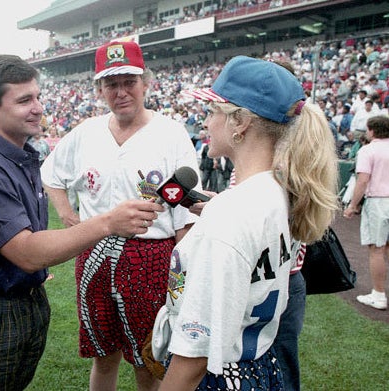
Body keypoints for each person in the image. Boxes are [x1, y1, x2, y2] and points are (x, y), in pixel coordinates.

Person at [0, 54, 164, 391]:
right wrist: (107, 222)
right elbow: (28, 252)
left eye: (38, 97)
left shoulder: (20, 156)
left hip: (21, 301)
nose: (38, 108)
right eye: (24, 100)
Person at [151, 55, 339, 390]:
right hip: (258, 368)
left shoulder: (233, 213)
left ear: (239, 121)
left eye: (212, 113)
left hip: (222, 375)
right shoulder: (278, 191)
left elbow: (195, 354)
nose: (205, 123)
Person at [41, 40, 200, 391]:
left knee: (148, 361)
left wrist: (182, 279)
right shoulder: (85, 132)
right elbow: (51, 175)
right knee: (103, 355)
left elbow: (185, 216)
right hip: (94, 252)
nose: (121, 91)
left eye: (129, 81)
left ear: (145, 83)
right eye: (111, 84)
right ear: (100, 89)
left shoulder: (171, 134)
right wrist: (69, 217)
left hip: (152, 258)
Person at [343, 115, 389, 310]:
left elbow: (362, 180)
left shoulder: (368, 150)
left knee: (377, 250)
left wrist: (352, 205)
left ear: (372, 130)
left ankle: (378, 295)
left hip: (379, 201)